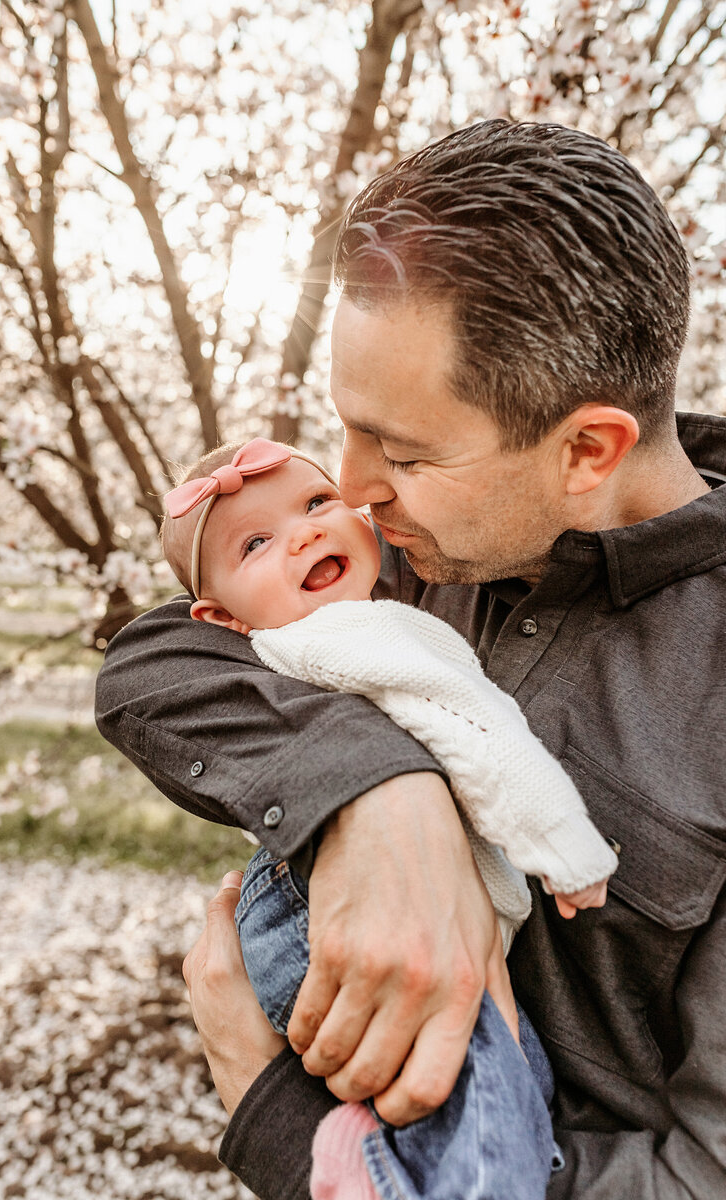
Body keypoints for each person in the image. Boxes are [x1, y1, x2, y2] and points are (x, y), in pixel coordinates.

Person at [95, 119, 726, 1200]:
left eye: (401, 452)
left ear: (586, 450)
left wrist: (277, 1121)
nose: (348, 490)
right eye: (345, 433)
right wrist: (382, 795)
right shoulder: (404, 540)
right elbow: (158, 654)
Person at [157, 434, 616, 1197]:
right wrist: (558, 844)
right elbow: (475, 732)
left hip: (309, 911)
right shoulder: (356, 637)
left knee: (509, 1104)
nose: (304, 531)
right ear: (223, 619)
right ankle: (369, 1175)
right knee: (488, 1140)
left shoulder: (315, 634)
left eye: (315, 503)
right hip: (337, 908)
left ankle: (366, 1148)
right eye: (259, 543)